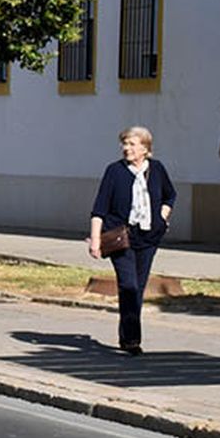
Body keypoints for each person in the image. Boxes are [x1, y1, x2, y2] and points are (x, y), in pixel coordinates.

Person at [89, 125, 177, 354]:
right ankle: (132, 340)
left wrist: (162, 217)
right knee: (128, 285)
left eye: (131, 144)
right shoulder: (114, 171)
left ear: (145, 148)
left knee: (138, 288)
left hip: (148, 237)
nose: (126, 148)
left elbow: (170, 195)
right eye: (124, 144)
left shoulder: (157, 169)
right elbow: (99, 208)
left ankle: (127, 336)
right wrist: (95, 239)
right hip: (121, 236)